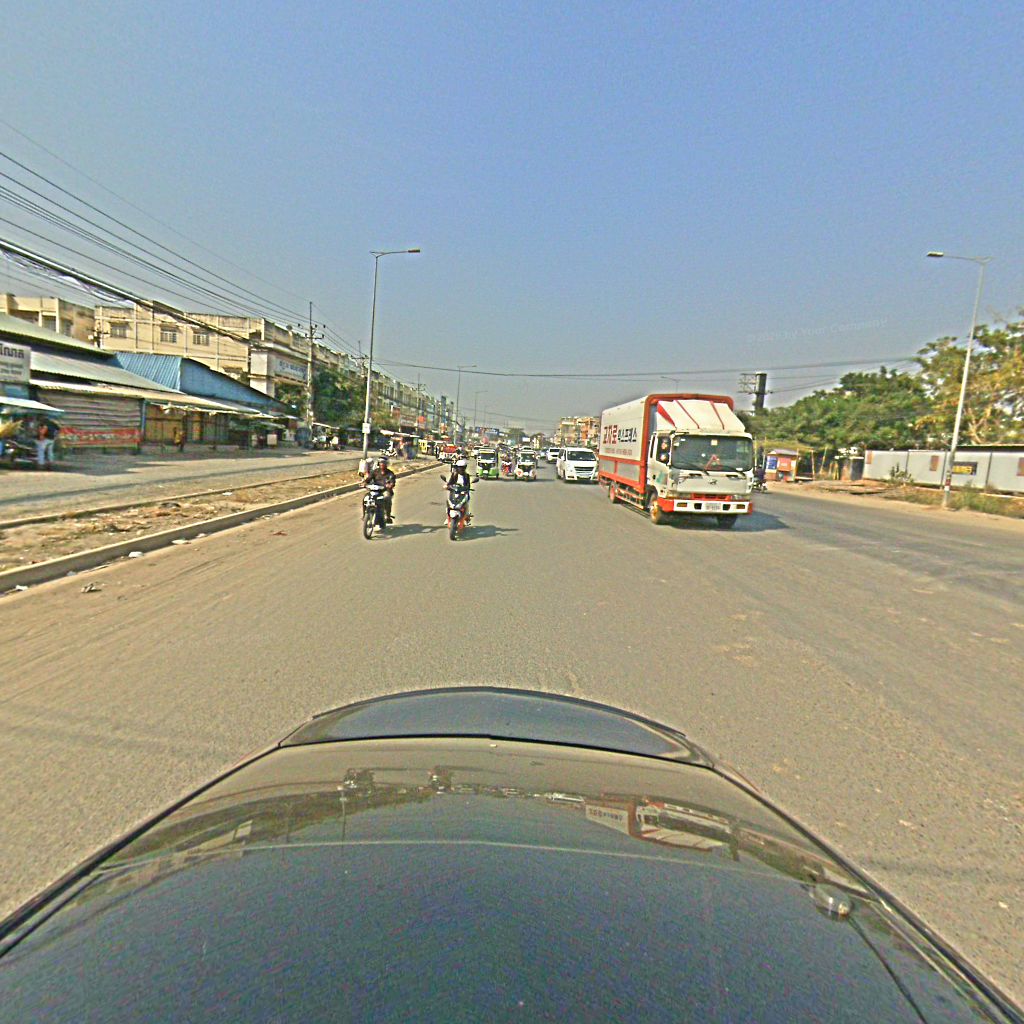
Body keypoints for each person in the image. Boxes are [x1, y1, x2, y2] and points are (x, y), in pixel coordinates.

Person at [363, 455, 397, 522]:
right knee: (365, 498)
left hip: (385, 490)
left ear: (386, 464)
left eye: (384, 463)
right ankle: (365, 515)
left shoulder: (390, 473)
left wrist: (390, 485)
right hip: (375, 490)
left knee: (387, 497)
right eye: (381, 462)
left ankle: (387, 516)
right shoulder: (375, 471)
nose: (382, 464)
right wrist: (364, 483)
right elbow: (368, 479)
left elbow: (392, 482)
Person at [445, 456, 473, 521]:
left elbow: (468, 485)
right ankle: (448, 517)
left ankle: (467, 515)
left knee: (466, 502)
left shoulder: (467, 476)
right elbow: (450, 483)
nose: (461, 469)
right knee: (449, 502)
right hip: (454, 492)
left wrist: (466, 489)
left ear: (465, 468)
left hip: (463, 492)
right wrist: (447, 486)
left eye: (462, 467)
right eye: (459, 467)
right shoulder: (454, 475)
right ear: (457, 467)